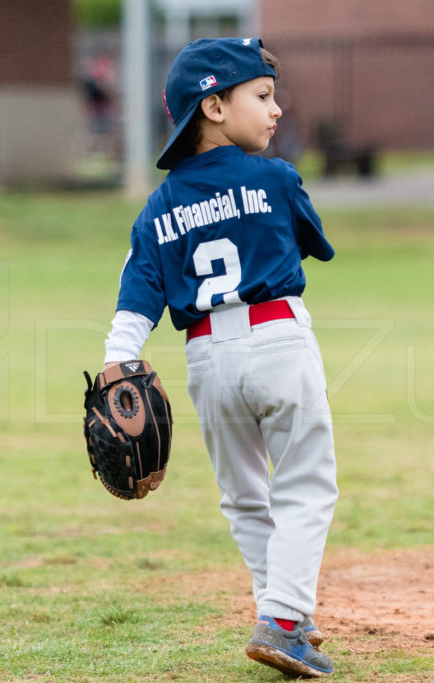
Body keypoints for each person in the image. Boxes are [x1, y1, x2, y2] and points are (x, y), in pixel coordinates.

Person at [100, 38, 337, 677]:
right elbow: (313, 243)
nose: (276, 109)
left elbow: (137, 291)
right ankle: (285, 620)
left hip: (206, 357)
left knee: (244, 498)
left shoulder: (157, 207)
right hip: (279, 340)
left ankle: (283, 614)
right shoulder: (277, 177)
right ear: (213, 106)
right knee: (306, 485)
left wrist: (118, 360)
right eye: (261, 95)